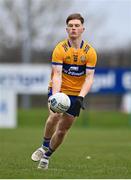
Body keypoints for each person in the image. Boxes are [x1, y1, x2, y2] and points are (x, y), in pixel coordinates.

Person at [31, 13, 97, 170]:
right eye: (71, 26)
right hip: (59, 89)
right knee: (55, 115)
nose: (74, 28)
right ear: (67, 29)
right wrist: (55, 96)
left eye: (77, 26)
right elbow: (57, 75)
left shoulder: (90, 52)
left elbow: (89, 78)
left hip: (76, 94)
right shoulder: (60, 49)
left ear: (82, 29)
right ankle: (43, 146)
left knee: (62, 131)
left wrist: (81, 97)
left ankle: (47, 156)